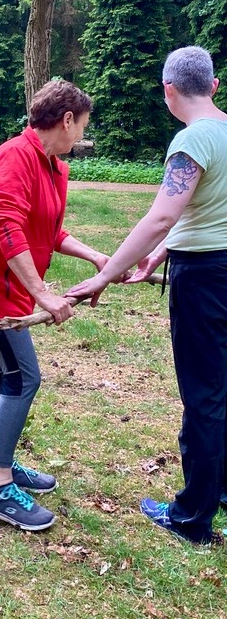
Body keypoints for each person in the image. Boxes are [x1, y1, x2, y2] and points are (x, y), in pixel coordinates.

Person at [67, 46, 227, 546]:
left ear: (168, 90)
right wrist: (160, 255)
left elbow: (162, 215)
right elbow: (208, 209)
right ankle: (220, 491)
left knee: (204, 394)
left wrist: (105, 274)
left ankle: (192, 517)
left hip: (205, 279)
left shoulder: (192, 139)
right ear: (214, 86)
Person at [0, 79, 111, 531]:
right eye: (83, 126)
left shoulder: (54, 168)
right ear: (67, 120)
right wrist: (43, 293)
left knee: (1, 373)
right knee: (24, 377)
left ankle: (0, 462)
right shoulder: (14, 158)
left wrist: (96, 257)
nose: (82, 134)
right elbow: (8, 230)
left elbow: (50, 231)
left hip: (15, 286)